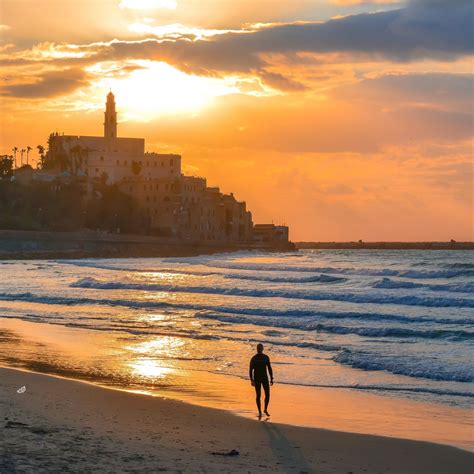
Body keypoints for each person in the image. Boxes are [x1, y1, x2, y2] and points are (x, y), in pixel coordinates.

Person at [249, 343, 273, 418]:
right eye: (258, 348)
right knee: (258, 395)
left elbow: (269, 368)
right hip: (257, 379)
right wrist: (252, 380)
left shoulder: (266, 357)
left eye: (260, 348)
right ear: (257, 349)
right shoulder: (254, 358)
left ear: (262, 349)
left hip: (265, 378)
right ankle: (259, 411)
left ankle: (265, 409)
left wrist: (271, 378)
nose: (259, 349)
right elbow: (250, 370)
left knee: (267, 394)